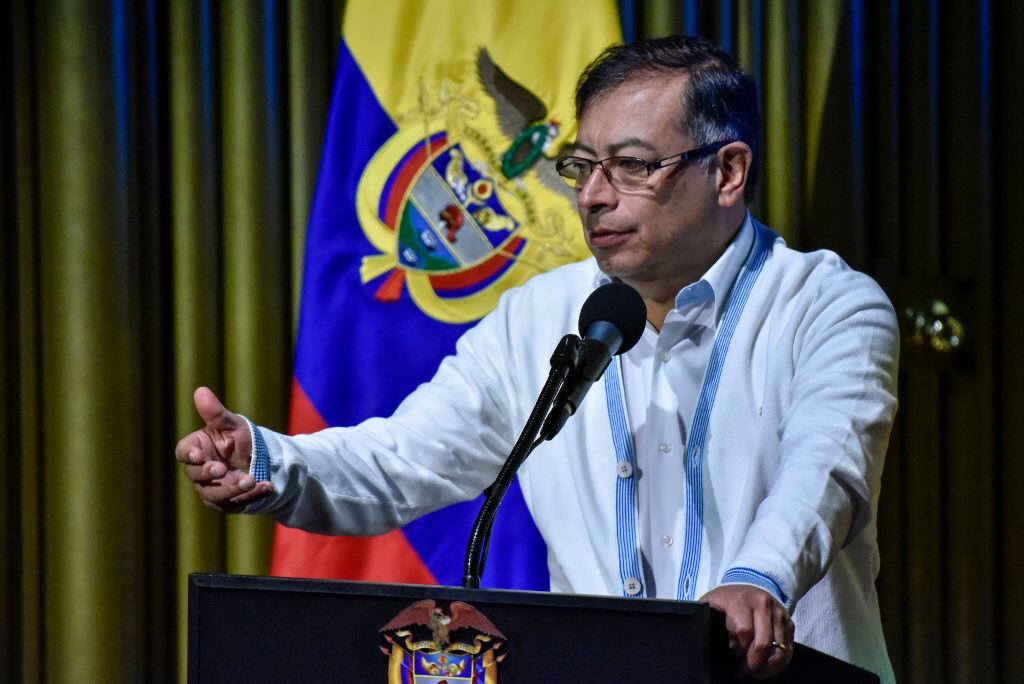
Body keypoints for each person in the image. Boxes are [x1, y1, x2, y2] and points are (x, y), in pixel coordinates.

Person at [176, 35, 898, 682]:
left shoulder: (828, 306)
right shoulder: (537, 317)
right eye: (582, 166)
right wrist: (268, 461)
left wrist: (759, 578)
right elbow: (404, 459)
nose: (592, 197)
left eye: (632, 166)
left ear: (728, 172)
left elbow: (824, 473)